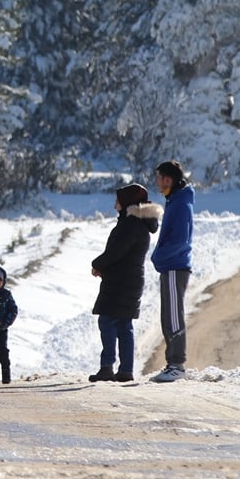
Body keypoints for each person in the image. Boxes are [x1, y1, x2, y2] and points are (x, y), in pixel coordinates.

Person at [89, 184, 162, 383]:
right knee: (124, 324)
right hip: (131, 281)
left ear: (128, 202)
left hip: (120, 282)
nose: (115, 206)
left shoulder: (130, 224)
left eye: (118, 201)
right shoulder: (139, 223)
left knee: (108, 322)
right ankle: (126, 370)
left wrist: (97, 264)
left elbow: (116, 252)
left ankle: (107, 367)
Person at [150, 160, 194, 383]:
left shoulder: (180, 204)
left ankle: (177, 364)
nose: (157, 182)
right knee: (167, 316)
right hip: (170, 266)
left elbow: (180, 240)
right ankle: (172, 364)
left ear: (168, 179)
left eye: (159, 177)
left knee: (174, 317)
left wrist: (158, 256)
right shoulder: (174, 201)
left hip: (176, 266)